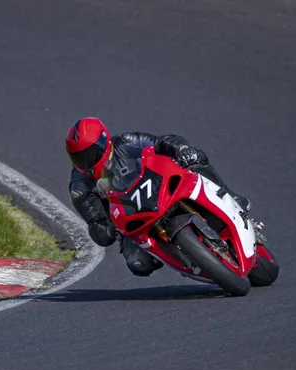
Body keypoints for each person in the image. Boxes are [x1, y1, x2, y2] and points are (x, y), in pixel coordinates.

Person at [65, 117, 251, 277]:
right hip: (131, 222)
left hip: (159, 190)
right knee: (139, 264)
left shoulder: (127, 141)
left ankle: (230, 195)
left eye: (89, 154)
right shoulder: (80, 189)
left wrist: (183, 149)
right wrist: (105, 230)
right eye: (78, 157)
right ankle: (192, 262)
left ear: (104, 143)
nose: (85, 162)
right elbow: (96, 224)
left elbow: (163, 142)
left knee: (194, 160)